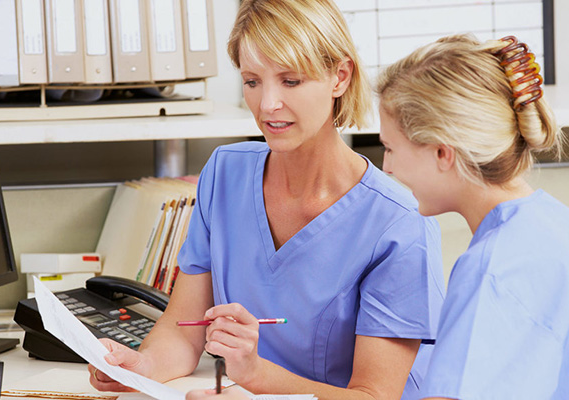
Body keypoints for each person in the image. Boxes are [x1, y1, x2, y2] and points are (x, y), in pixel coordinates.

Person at [88, 0, 444, 398]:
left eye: (290, 81)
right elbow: (182, 330)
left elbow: (374, 396)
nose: (267, 104)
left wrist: (255, 377)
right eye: (252, 81)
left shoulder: (399, 223)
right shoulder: (225, 173)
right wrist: (142, 367)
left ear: (340, 77)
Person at [376, 34, 568, 399]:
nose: (387, 167)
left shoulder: (491, 270)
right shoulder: (553, 223)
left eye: (390, 148)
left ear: (442, 153)